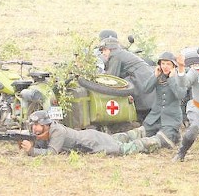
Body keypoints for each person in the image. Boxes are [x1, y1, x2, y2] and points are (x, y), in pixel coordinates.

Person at [19, 110, 164, 156]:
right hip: (90, 136)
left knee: (122, 148)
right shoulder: (50, 129)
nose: (35, 128)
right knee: (121, 137)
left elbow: (51, 152)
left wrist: (32, 150)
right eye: (34, 125)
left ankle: (158, 139)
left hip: (90, 143)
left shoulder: (57, 131)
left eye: (37, 125)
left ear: (45, 125)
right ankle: (144, 131)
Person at [135, 52, 186, 146]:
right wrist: (155, 76)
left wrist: (171, 79)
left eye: (168, 64)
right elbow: (145, 90)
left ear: (174, 66)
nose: (165, 66)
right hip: (154, 119)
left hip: (170, 120)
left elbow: (181, 95)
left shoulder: (179, 77)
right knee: (134, 135)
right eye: (163, 63)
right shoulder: (158, 76)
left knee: (150, 143)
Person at [101, 37, 155, 121]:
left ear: (111, 49)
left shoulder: (115, 55)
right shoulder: (121, 53)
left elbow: (111, 78)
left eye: (104, 50)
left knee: (144, 117)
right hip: (146, 82)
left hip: (140, 82)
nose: (103, 53)